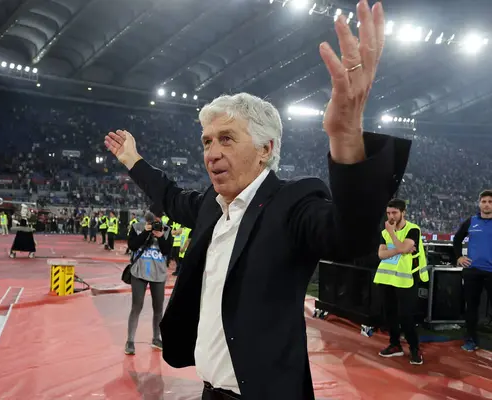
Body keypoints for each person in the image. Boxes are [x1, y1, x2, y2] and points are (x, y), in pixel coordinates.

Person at [104, 2, 408, 398]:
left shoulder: (294, 203)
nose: (211, 152)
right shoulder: (212, 207)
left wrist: (347, 137)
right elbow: (170, 197)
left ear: (265, 149)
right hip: (209, 391)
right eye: (207, 142)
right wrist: (132, 160)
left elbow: (350, 237)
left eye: (227, 139)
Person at [374, 199, 428, 365]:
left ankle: (414, 348)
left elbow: (404, 249)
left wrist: (392, 235)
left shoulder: (413, 229)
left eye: (394, 213)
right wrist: (400, 248)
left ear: (403, 212)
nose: (391, 216)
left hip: (406, 279)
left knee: (406, 316)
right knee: (390, 313)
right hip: (387, 278)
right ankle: (395, 344)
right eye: (389, 213)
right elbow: (381, 255)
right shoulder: (384, 232)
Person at [125, 209, 173, 356]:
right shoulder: (136, 227)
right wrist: (146, 232)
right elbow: (132, 245)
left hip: (158, 273)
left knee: (158, 308)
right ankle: (130, 341)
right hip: (139, 272)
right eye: (152, 219)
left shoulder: (166, 229)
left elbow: (167, 251)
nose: (155, 222)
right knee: (136, 306)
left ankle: (156, 338)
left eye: (158, 219)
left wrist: (160, 236)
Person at [453, 189, 492, 352]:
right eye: (484, 201)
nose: (487, 204)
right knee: (471, 307)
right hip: (472, 271)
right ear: (479, 203)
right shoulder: (471, 221)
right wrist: (459, 257)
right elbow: (457, 239)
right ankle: (470, 339)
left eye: (490, 202)